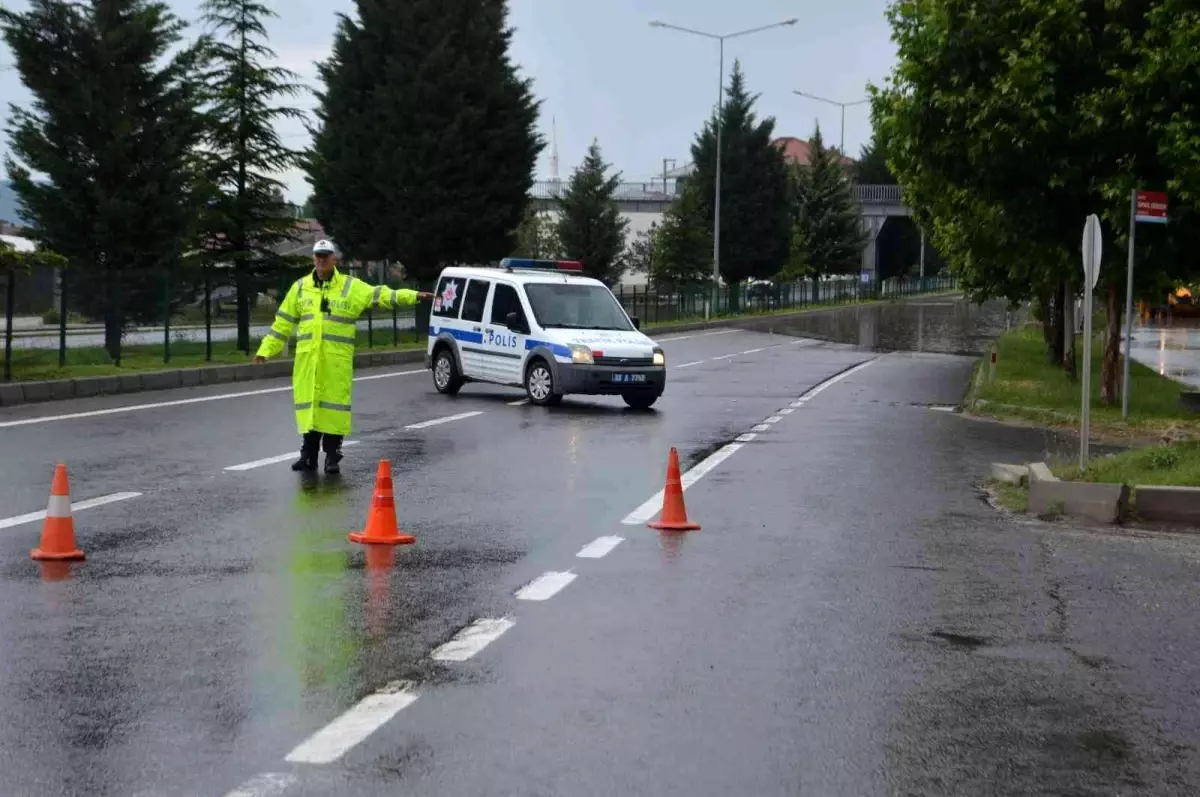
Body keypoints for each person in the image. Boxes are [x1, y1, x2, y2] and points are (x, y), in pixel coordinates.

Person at [254, 239, 433, 473]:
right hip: (308, 363)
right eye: (318, 255)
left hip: (335, 363)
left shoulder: (350, 287)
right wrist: (266, 349)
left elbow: (380, 294)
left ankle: (331, 457)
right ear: (313, 259)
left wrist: (413, 295)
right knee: (310, 409)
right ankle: (307, 455)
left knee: (334, 411)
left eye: (326, 255)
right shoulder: (300, 288)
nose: (321, 259)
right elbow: (283, 323)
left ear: (334, 259)